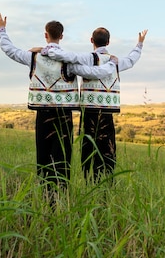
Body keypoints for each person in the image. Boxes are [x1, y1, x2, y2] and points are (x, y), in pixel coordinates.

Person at [0, 13, 118, 196]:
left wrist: (1, 29)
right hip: (63, 114)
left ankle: (46, 192)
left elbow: (9, 49)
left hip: (43, 114)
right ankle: (61, 193)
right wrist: (112, 63)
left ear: (46, 35)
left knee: (43, 154)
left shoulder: (34, 57)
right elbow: (92, 70)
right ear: (61, 36)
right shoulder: (69, 61)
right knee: (62, 155)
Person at [43, 27, 148, 182]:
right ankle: (106, 183)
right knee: (107, 151)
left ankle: (88, 181)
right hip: (107, 113)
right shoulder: (115, 61)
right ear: (108, 41)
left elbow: (65, 56)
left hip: (88, 112)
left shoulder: (86, 58)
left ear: (91, 40)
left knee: (88, 149)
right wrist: (139, 44)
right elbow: (132, 59)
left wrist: (45, 50)